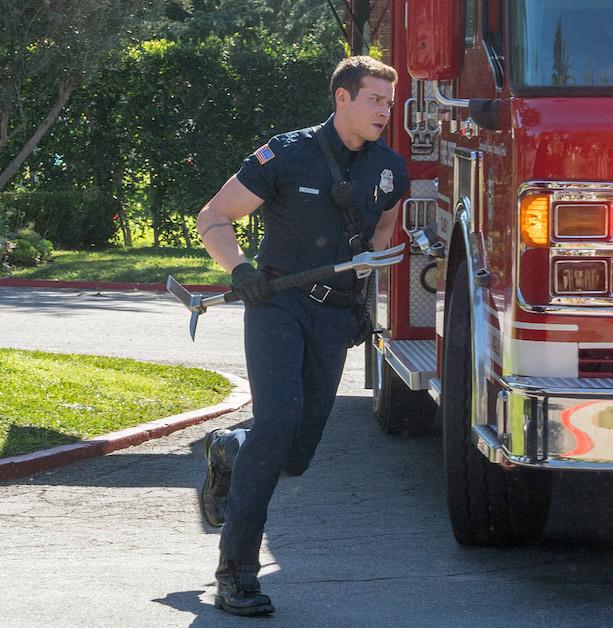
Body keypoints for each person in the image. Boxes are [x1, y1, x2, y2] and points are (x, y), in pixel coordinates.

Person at [193, 55, 407, 617]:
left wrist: (364, 297)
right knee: (279, 421)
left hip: (334, 314)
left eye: (390, 101)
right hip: (277, 306)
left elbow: (380, 238)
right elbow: (213, 216)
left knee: (297, 453)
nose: (386, 110)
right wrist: (241, 272)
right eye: (375, 100)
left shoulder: (390, 170)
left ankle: (230, 447)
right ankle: (236, 571)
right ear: (342, 98)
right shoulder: (287, 153)